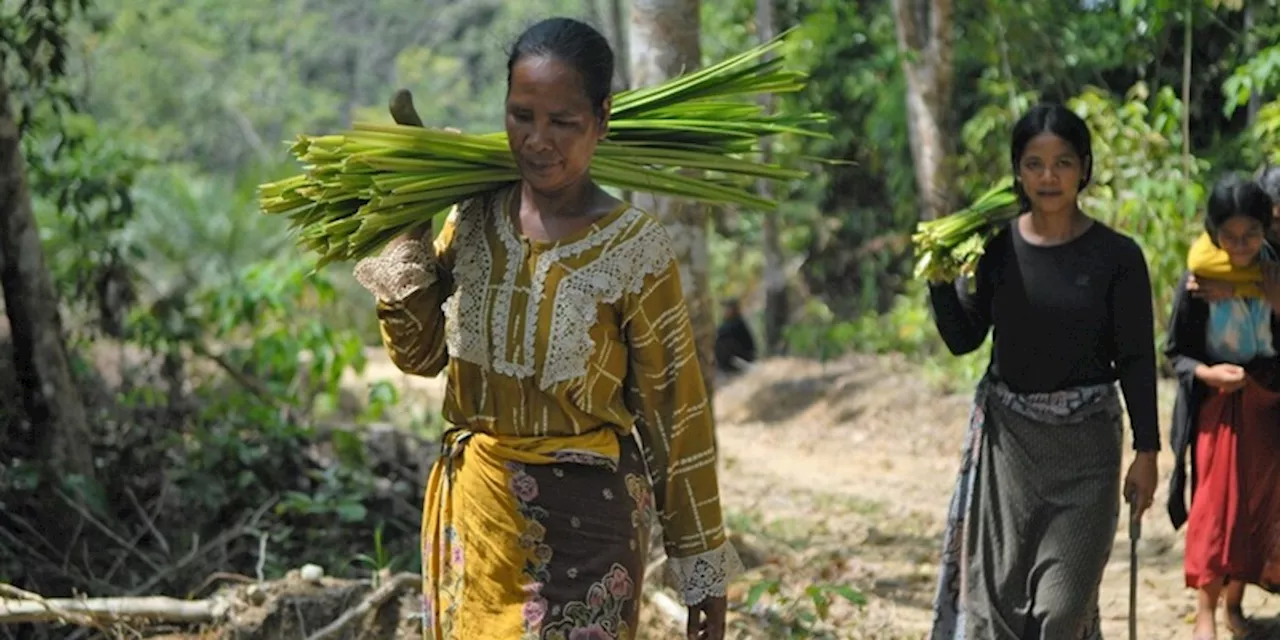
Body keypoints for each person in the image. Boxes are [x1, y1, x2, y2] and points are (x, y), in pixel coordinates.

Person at [351, 17, 741, 640]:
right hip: (478, 527)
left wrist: (705, 583)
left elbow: (678, 420)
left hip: (589, 533)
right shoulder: (475, 218)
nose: (538, 141)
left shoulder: (634, 250)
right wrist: (409, 221)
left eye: (564, 123)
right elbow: (419, 355)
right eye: (521, 116)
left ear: (603, 119)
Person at [925, 102, 1160, 640]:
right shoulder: (995, 249)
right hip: (1011, 453)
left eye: (1063, 163)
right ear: (1017, 170)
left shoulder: (1118, 257)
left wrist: (1147, 452)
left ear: (1085, 169)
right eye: (1034, 163)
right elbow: (964, 339)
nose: (1048, 176)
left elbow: (1136, 359)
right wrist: (939, 280)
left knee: (1060, 608)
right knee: (998, 609)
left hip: (1088, 452)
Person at [1165, 174, 1280, 640]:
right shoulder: (1198, 281)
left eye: (1251, 234)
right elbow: (1175, 351)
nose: (1240, 245)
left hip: (1268, 401)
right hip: (1218, 405)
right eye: (1229, 236)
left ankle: (1236, 603)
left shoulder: (1273, 272)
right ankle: (1206, 612)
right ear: (1212, 233)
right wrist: (1209, 374)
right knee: (1216, 508)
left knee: (1258, 507)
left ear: (1265, 227)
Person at [1186, 163, 1280, 302]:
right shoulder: (1204, 281)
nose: (1240, 245)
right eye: (1277, 220)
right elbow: (1198, 263)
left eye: (1250, 233)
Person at [714, 298, 756, 375]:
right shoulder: (729, 322)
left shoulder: (737, 322)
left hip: (744, 358)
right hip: (737, 358)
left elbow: (720, 332)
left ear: (733, 309)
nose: (724, 311)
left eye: (727, 308)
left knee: (722, 343)